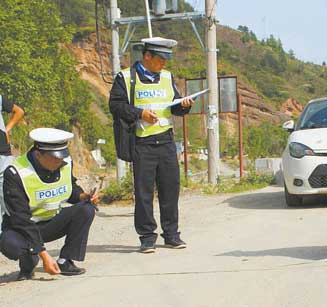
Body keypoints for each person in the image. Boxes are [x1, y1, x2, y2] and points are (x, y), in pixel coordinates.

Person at [109, 37, 194, 253]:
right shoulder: (126, 77)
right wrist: (140, 113)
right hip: (142, 141)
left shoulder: (167, 77)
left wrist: (184, 106)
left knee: (170, 189)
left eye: (166, 60)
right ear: (147, 56)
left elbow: (173, 106)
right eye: (160, 59)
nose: (163, 64)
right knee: (144, 192)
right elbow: (116, 105)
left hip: (166, 141)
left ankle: (172, 234)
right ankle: (147, 237)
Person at [0, 128, 99, 280]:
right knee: (10, 244)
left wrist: (83, 195)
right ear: (38, 154)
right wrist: (44, 255)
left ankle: (65, 261)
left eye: (61, 157)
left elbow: (69, 188)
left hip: (50, 223)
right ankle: (28, 262)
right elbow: (21, 220)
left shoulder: (63, 162)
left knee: (86, 209)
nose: (60, 161)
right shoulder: (15, 173)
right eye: (54, 158)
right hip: (22, 228)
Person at [0, 94, 24, 233]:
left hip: (3, 154)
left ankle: (18, 237)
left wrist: (7, 129)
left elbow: (19, 111)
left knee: (9, 200)